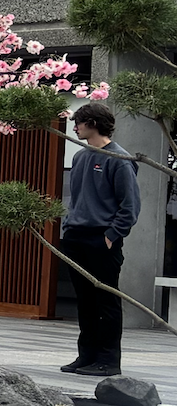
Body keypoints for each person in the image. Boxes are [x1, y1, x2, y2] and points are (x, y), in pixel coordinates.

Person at [60, 101, 139, 376]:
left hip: (102, 238)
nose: (75, 128)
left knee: (106, 300)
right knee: (84, 300)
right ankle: (87, 356)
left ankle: (108, 360)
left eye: (78, 123)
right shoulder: (80, 157)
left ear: (92, 123)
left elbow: (130, 206)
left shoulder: (119, 159)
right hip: (75, 236)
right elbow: (78, 199)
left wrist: (112, 235)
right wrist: (69, 227)